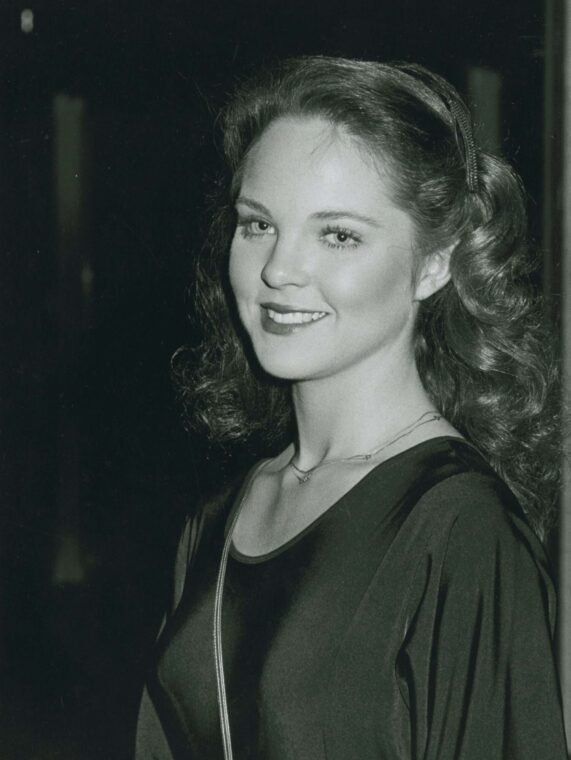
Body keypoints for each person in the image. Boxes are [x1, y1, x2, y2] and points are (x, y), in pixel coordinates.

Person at [135, 56, 568, 759]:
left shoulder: (458, 527)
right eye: (257, 225)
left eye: (337, 234)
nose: (279, 270)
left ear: (433, 264)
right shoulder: (217, 520)